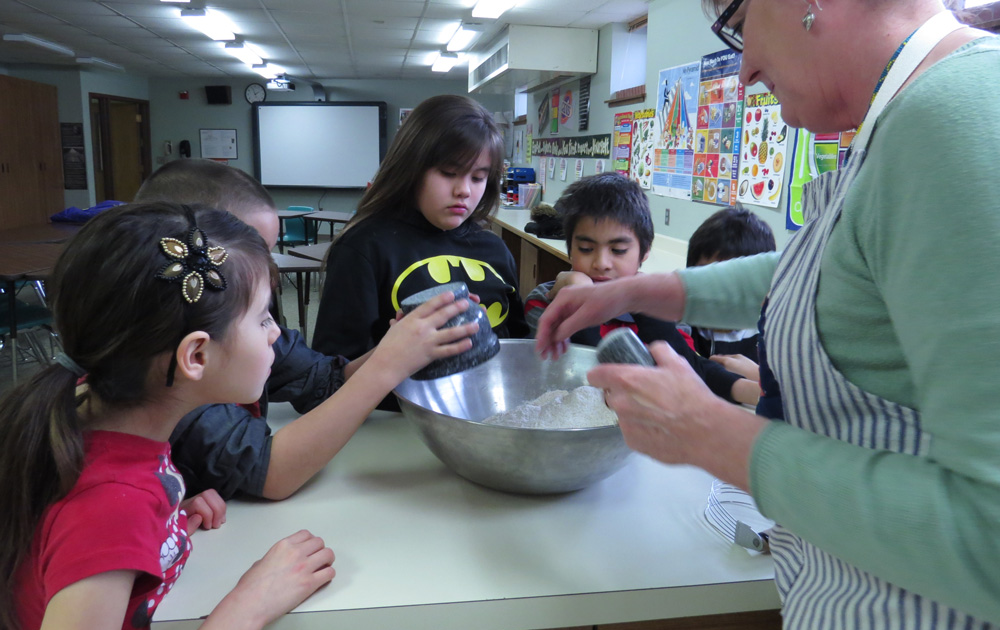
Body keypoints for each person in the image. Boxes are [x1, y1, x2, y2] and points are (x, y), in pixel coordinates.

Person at [536, 0, 1000, 630]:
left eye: (739, 24)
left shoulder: (954, 119)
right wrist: (640, 289)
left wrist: (716, 437)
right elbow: (838, 275)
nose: (745, 69)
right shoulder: (902, 121)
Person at [0, 203, 337, 630]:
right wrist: (251, 603)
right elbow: (98, 524)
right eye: (261, 318)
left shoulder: (94, 417)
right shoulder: (109, 510)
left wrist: (165, 526)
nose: (275, 333)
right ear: (195, 356)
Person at [135, 159, 480, 501]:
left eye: (266, 255)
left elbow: (324, 380)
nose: (269, 277)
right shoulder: (164, 378)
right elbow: (268, 472)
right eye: (250, 256)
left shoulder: (251, 331)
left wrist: (401, 344)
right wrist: (388, 365)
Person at [312, 94, 528, 408]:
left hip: (485, 415)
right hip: (396, 421)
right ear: (411, 168)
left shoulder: (493, 247)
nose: (464, 190)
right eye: (448, 173)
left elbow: (516, 343)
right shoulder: (364, 247)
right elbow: (331, 371)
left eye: (478, 177)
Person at [524, 173, 758, 406]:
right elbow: (585, 380)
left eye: (618, 250)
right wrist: (581, 295)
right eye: (586, 248)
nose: (601, 262)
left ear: (644, 253)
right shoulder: (546, 304)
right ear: (570, 249)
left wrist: (644, 302)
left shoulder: (665, 312)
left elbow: (689, 371)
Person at [684, 206, 775, 363]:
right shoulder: (683, 326)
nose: (717, 297)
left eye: (734, 287)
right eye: (708, 280)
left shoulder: (770, 335)